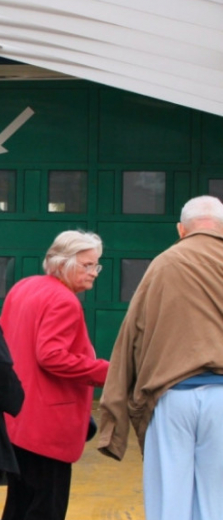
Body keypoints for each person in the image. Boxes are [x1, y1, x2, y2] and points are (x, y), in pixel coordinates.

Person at [98, 195, 223, 520]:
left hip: (171, 396)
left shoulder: (164, 263)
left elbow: (131, 335)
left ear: (181, 229)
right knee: (217, 501)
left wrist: (115, 412)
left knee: (169, 500)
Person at [0, 230, 110, 520]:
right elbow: (51, 356)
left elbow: (2, 339)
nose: (94, 272)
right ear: (62, 263)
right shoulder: (64, 300)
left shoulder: (24, 286)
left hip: (17, 416)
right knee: (46, 506)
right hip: (47, 423)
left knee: (19, 503)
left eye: (96, 265)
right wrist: (109, 372)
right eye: (87, 265)